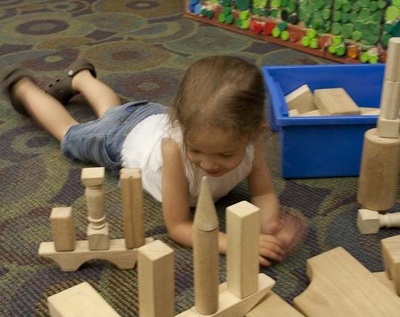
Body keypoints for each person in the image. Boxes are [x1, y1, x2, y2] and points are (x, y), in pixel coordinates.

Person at [1, 55, 304, 266]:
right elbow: (179, 226)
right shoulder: (173, 150)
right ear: (182, 124)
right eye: (196, 150)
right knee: (70, 134)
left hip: (150, 117)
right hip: (120, 139)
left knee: (113, 113)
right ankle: (23, 87)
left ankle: (81, 78)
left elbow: (263, 193)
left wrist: (268, 221)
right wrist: (235, 244)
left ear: (255, 134)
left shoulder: (249, 140)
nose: (209, 164)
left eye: (226, 155)